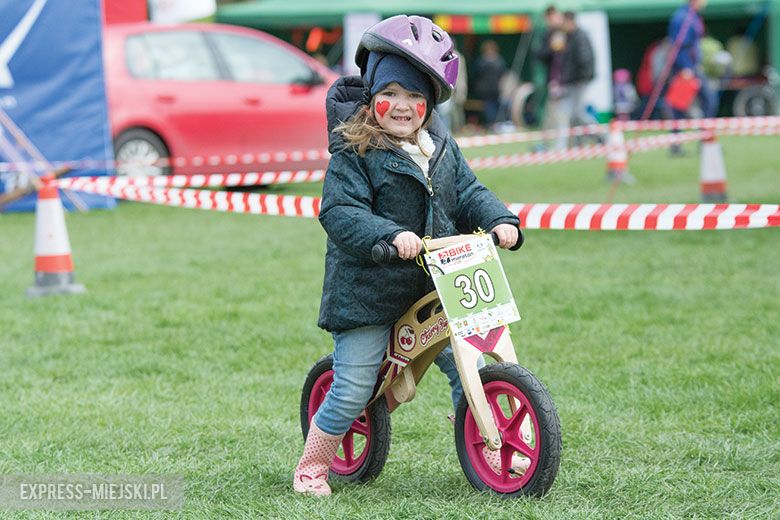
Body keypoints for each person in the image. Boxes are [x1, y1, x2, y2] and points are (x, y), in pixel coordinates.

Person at [292, 15, 524, 497]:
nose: (402, 105)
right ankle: (312, 465)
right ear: (372, 94)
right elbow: (340, 211)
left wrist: (500, 219)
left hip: (432, 287)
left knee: (471, 362)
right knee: (354, 387)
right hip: (368, 293)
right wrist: (389, 234)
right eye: (390, 92)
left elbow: (468, 192)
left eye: (415, 95)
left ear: (430, 103)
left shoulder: (440, 146)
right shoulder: (354, 151)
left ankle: (491, 441)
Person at [537, 9, 596, 150]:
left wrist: (578, 78)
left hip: (576, 82)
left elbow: (583, 60)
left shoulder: (578, 36)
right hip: (564, 82)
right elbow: (547, 57)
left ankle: (600, 135)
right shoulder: (562, 36)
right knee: (567, 114)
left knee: (575, 114)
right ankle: (570, 143)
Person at [473, 39, 507, 128]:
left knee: (490, 107)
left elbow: (476, 74)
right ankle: (495, 123)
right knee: (492, 106)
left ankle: (493, 123)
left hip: (488, 89)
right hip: (494, 88)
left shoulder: (481, 61)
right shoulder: (499, 61)